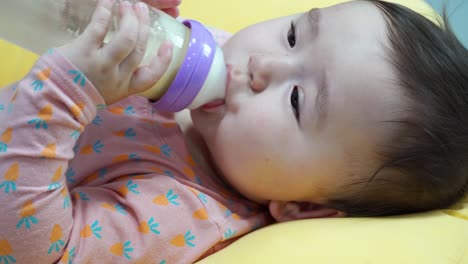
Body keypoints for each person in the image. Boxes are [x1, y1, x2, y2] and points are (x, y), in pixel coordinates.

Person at [1, 0, 467, 263]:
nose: (264, 64)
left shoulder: (181, 214)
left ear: (303, 207)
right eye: (293, 35)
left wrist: (59, 101)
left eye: (298, 101)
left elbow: (42, 253)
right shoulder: (228, 62)